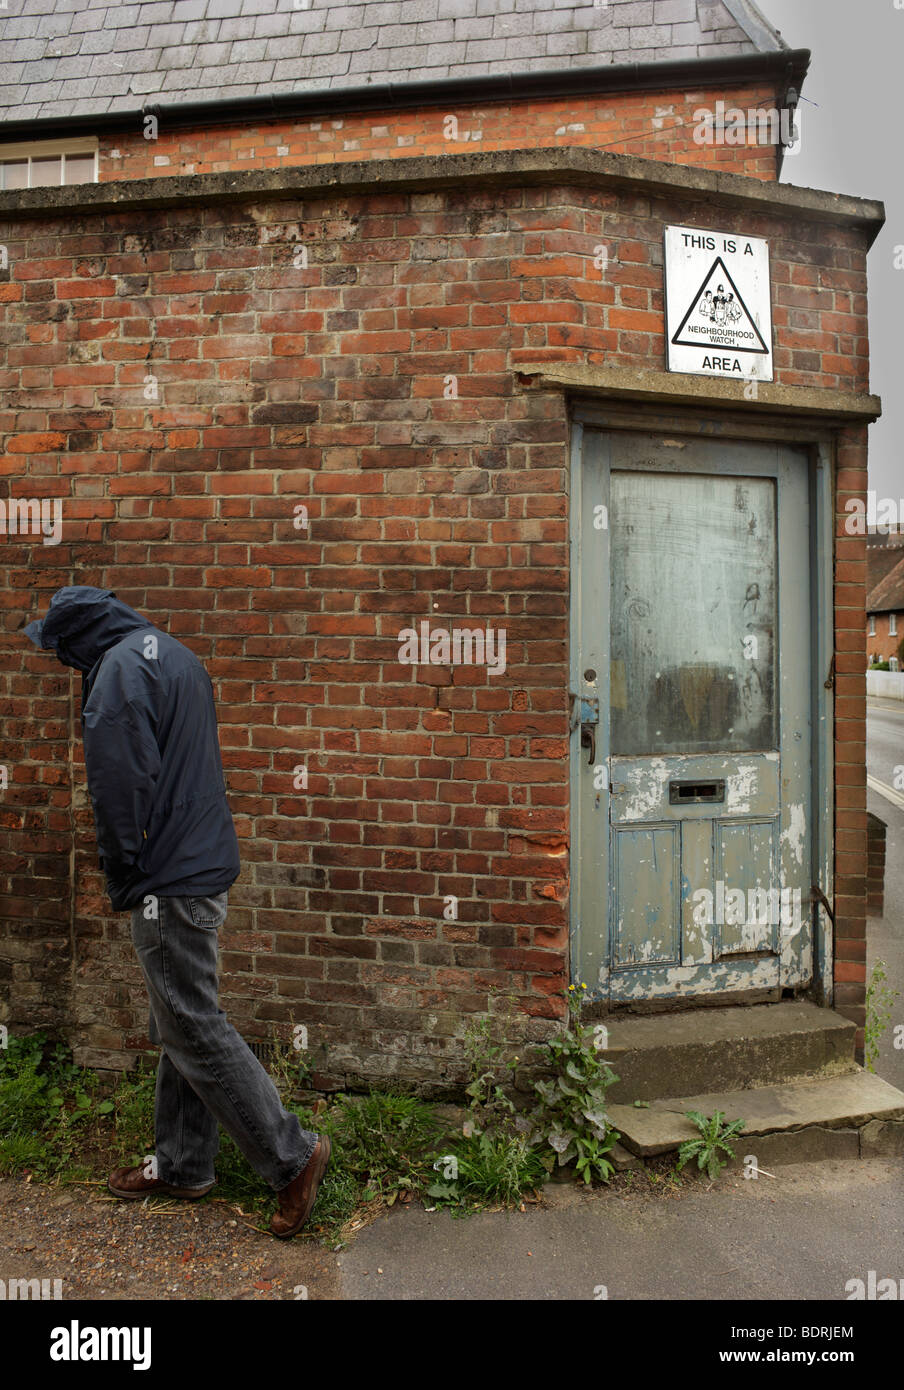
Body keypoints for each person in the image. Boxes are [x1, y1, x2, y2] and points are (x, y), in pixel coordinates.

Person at [22, 586, 329, 1238]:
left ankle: (292, 1156)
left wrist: (124, 875)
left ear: (78, 640)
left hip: (168, 876)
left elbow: (118, 790)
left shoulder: (116, 673)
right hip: (204, 864)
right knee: (181, 1015)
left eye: (59, 649)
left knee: (192, 1022)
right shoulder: (177, 658)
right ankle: (184, 1163)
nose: (62, 662)